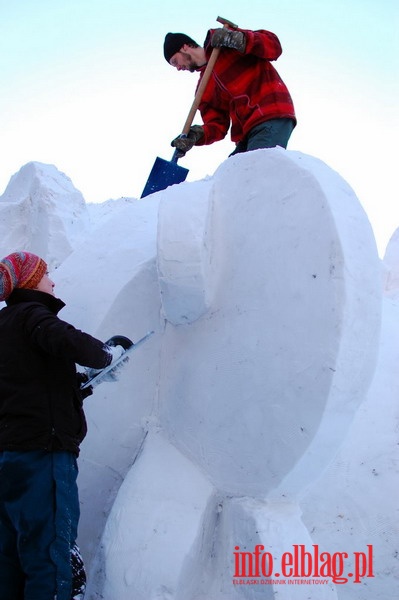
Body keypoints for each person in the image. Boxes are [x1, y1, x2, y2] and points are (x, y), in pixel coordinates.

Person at [0, 251, 123, 600]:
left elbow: (25, 388)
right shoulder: (33, 316)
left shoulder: (5, 327)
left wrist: (79, 385)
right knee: (52, 555)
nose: (52, 281)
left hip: (9, 459)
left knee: (11, 557)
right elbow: (66, 338)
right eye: (46, 274)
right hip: (43, 456)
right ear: (30, 281)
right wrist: (104, 356)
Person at [164, 26, 296, 157]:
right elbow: (217, 126)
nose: (178, 68)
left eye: (175, 61)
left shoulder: (223, 43)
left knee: (255, 172)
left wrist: (237, 39)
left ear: (184, 47)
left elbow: (273, 45)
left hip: (269, 113)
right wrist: (196, 134)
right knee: (231, 174)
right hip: (246, 133)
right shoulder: (203, 88)